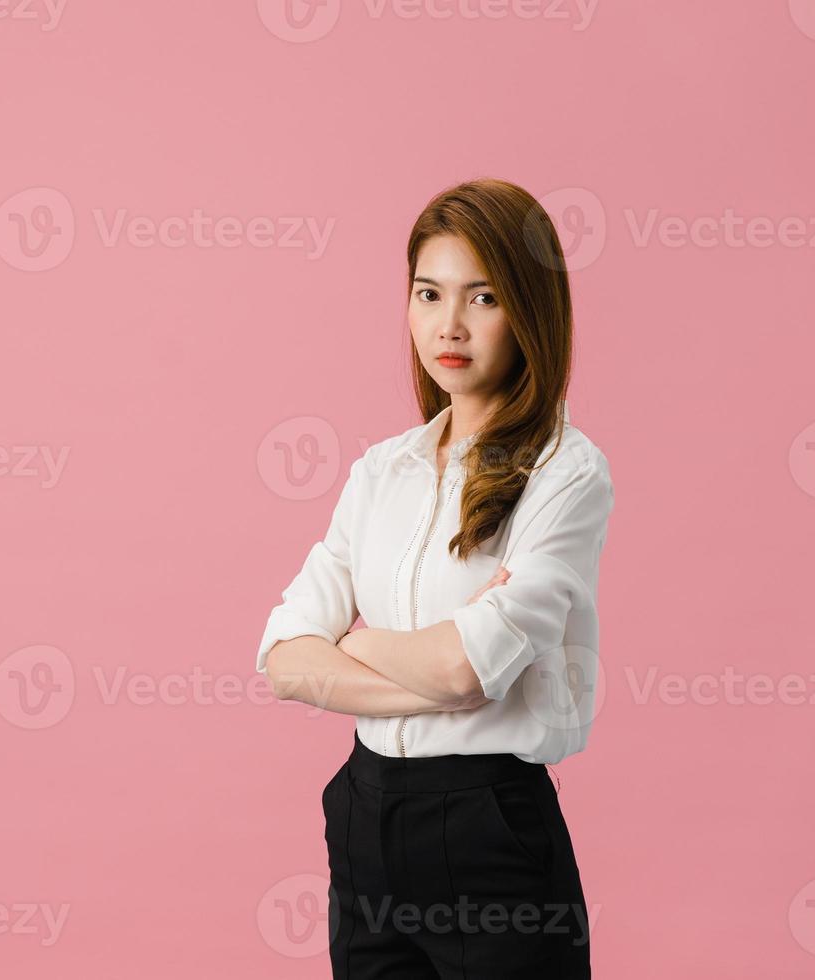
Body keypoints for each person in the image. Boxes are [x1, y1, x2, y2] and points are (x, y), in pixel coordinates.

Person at [257, 177, 614, 979]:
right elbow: (283, 656)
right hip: (364, 815)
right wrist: (441, 675)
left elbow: (466, 664)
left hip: (489, 827)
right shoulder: (382, 471)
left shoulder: (565, 473)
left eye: (483, 298)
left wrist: (363, 643)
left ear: (529, 310)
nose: (448, 325)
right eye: (429, 293)